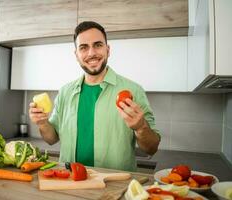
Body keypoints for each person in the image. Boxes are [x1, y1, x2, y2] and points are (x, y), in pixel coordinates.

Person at [29, 21, 160, 171]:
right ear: (76, 55)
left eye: (98, 45)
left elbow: (151, 148)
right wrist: (42, 123)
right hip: (70, 182)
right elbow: (51, 139)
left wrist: (141, 127)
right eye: (83, 47)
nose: (91, 53)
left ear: (108, 50)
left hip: (115, 185)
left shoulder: (133, 90)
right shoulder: (65, 92)